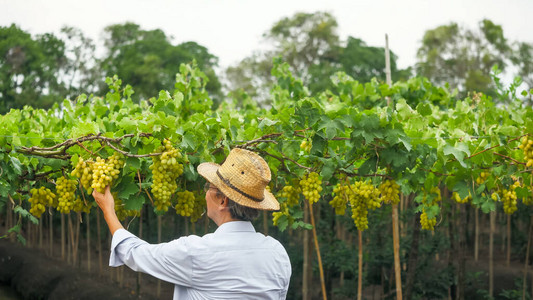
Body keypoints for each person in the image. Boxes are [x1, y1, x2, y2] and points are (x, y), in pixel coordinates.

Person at [93, 148, 292, 299]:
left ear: (222, 201)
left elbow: (134, 253)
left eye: (208, 186)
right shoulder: (278, 254)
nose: (204, 193)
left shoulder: (196, 252)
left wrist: (108, 211)